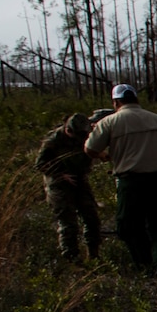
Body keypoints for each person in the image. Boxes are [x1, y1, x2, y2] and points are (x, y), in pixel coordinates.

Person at [85, 83, 157, 278]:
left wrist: (105, 156)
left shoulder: (109, 122)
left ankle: (145, 265)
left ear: (116, 102)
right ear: (136, 99)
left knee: (127, 226)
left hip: (130, 183)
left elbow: (89, 149)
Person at [36, 112, 102, 263]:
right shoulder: (53, 140)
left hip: (79, 180)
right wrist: (60, 175)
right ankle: (71, 257)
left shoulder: (84, 135)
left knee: (91, 216)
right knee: (68, 221)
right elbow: (40, 164)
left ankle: (94, 254)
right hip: (59, 184)